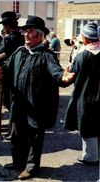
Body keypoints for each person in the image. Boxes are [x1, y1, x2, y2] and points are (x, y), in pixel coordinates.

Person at [0, 16, 74, 180]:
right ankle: (18, 162)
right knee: (17, 136)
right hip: (18, 104)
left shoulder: (46, 56)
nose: (26, 34)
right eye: (25, 31)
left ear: (39, 36)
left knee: (33, 139)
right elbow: (6, 68)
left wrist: (65, 78)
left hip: (36, 107)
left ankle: (31, 168)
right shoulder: (19, 52)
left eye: (30, 31)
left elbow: (58, 74)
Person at [64, 21, 100, 166]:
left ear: (85, 38)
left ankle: (90, 156)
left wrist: (67, 70)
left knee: (87, 126)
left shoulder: (83, 55)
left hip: (86, 95)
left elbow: (72, 74)